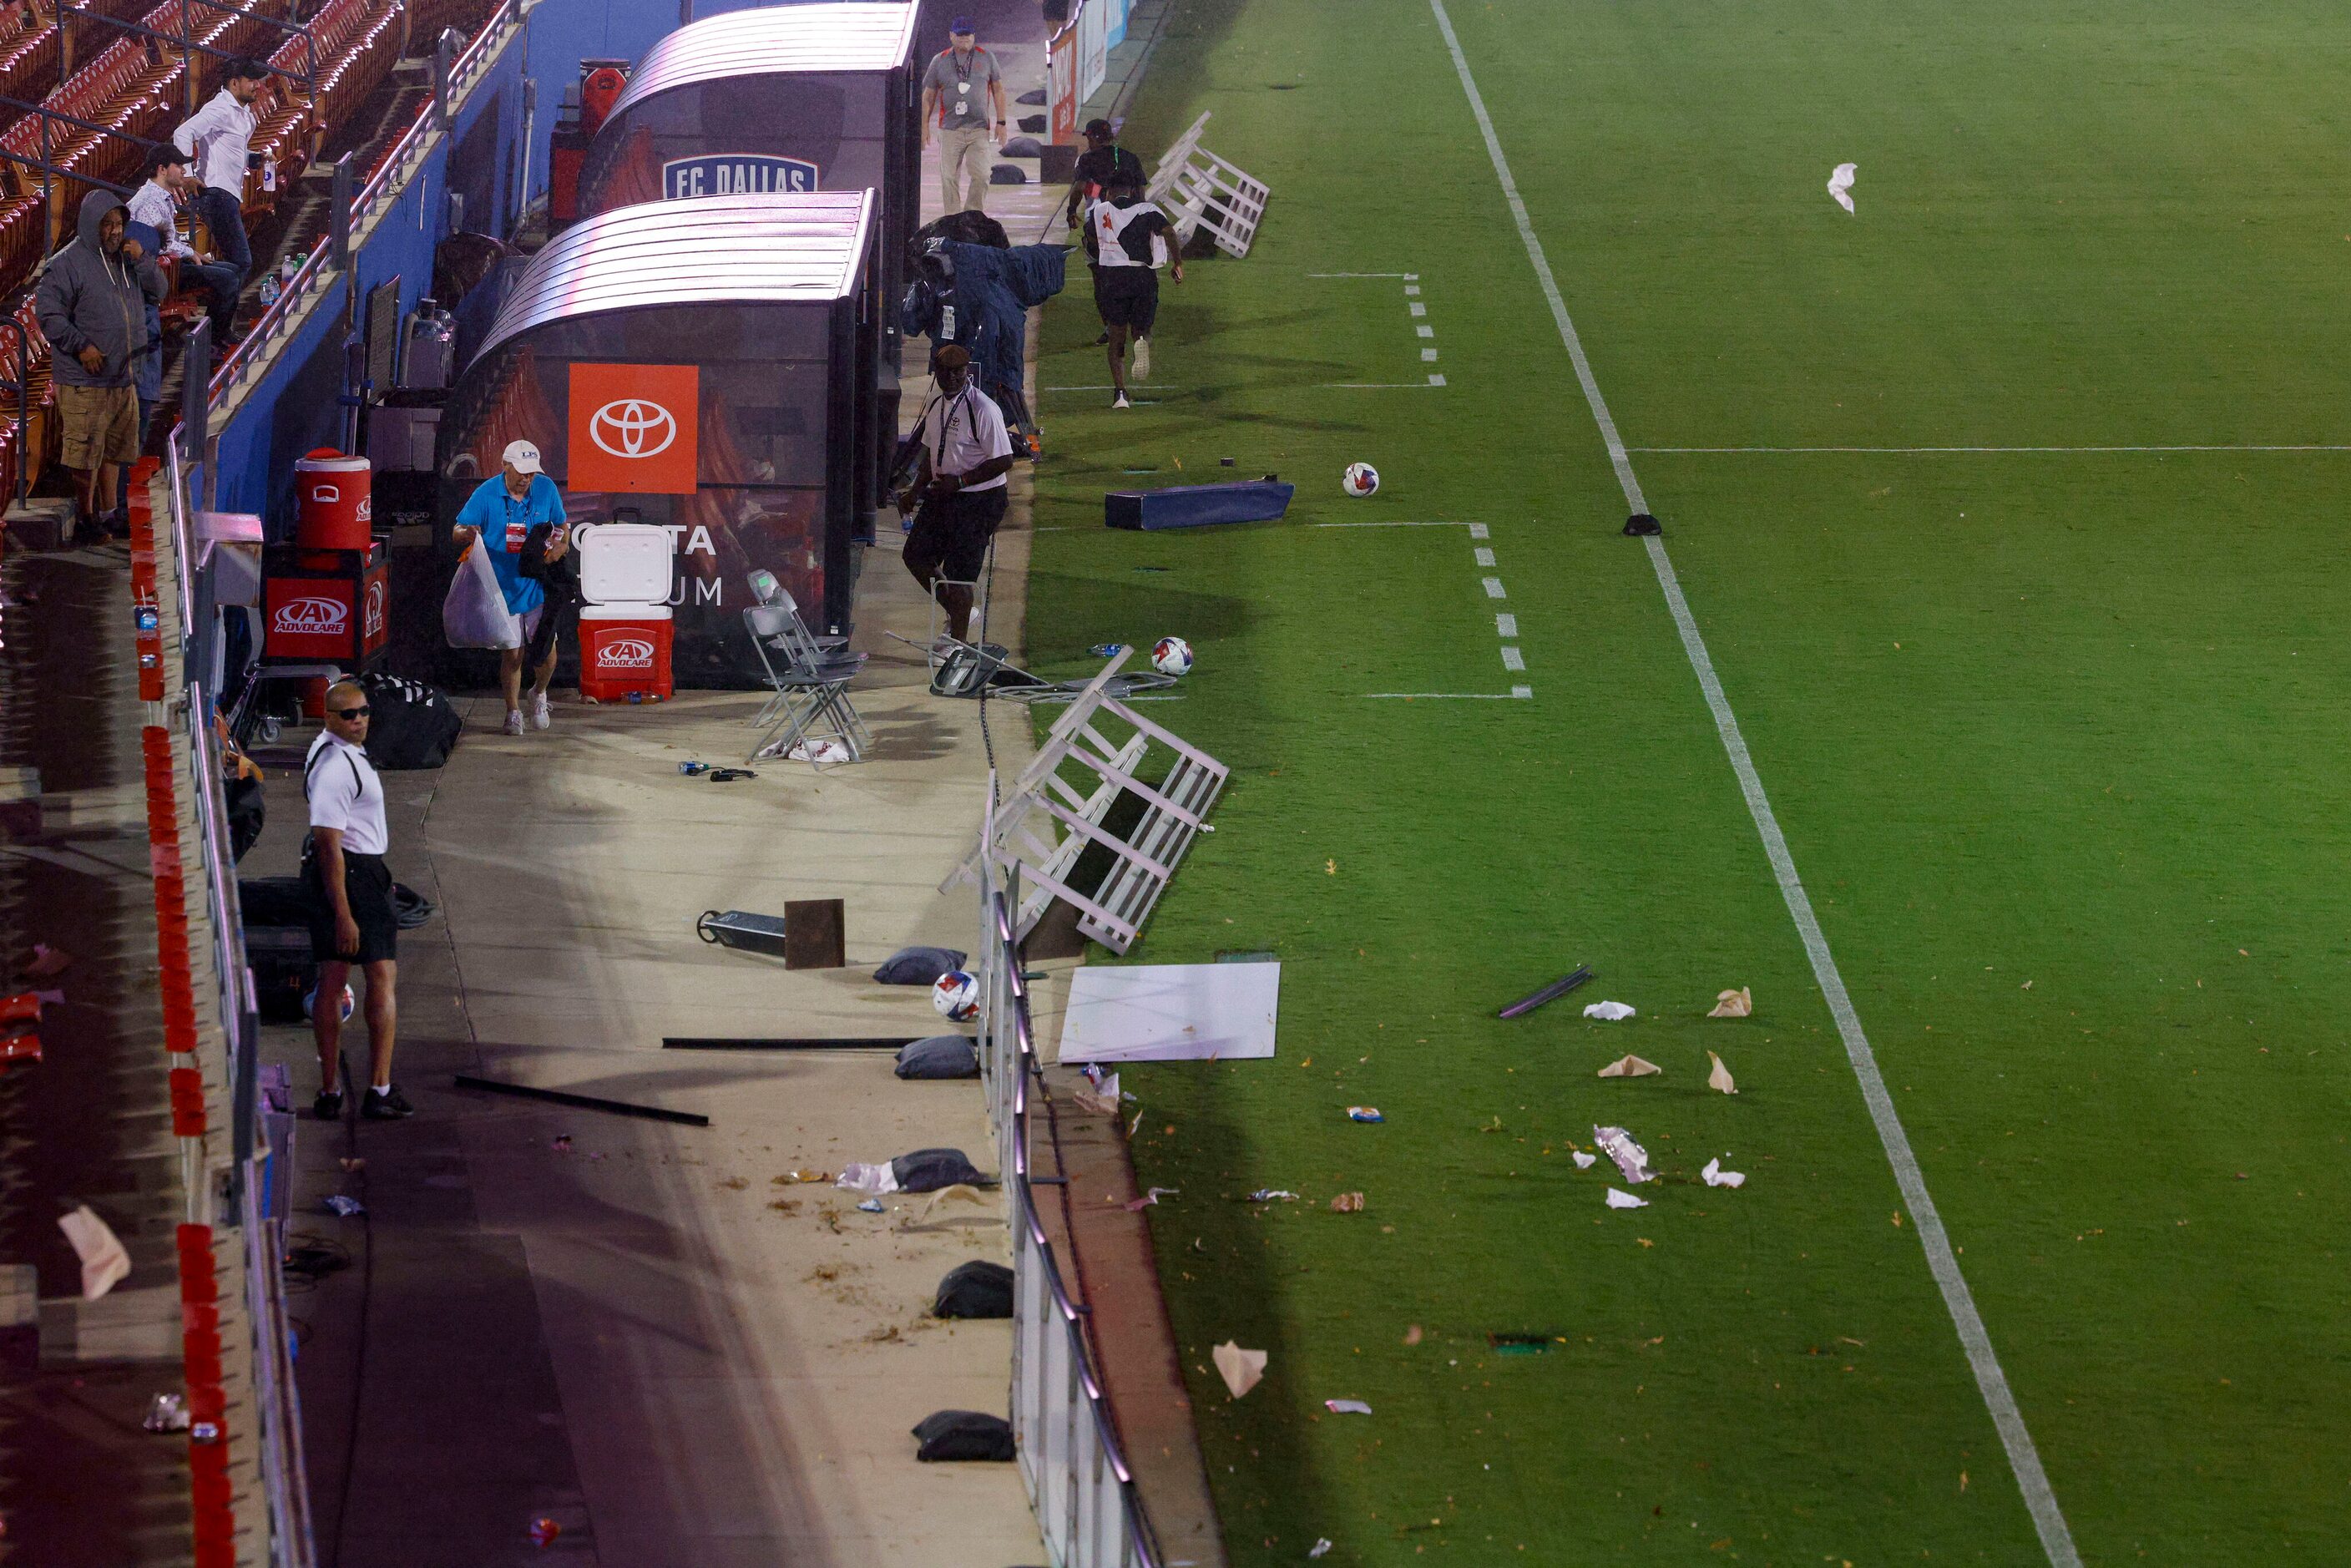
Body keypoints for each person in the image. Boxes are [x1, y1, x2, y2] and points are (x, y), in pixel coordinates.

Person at [304, 680, 410, 1121]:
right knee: (380, 976)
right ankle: (378, 1090)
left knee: (332, 978)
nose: (359, 720)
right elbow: (329, 845)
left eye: (364, 712)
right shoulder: (334, 768)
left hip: (354, 870)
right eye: (349, 715)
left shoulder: (329, 752)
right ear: (329, 718)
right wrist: (345, 913)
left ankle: (330, 1093)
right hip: (351, 875)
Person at [35, 191, 160, 540]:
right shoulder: (66, 263)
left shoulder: (126, 261)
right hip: (84, 379)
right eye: (107, 224)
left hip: (123, 376)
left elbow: (160, 289)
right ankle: (87, 518)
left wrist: (143, 260)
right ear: (92, 225)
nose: (114, 231)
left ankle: (108, 513)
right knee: (85, 454)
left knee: (113, 451)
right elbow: (48, 314)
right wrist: (82, 347)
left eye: (119, 224)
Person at [899, 344, 1014, 646]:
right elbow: (931, 457)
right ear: (936, 372)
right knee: (916, 555)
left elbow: (1004, 461)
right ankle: (959, 609)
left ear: (967, 372)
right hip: (944, 493)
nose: (951, 378)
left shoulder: (984, 409)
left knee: (961, 574)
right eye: (945, 372)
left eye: (958, 372)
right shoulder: (937, 406)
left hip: (980, 499)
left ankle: (956, 643)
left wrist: (961, 481)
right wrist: (914, 492)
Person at [452, 439, 569, 735]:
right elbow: (457, 531)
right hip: (501, 589)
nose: (526, 479)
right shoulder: (486, 494)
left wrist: (562, 545)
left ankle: (539, 693)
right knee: (513, 653)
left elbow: (562, 526)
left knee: (546, 652)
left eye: (531, 473)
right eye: (520, 472)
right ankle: (513, 710)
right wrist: (468, 533)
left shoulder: (546, 489)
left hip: (537, 585)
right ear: (505, 466)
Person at [172, 57, 267, 346]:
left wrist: (256, 159)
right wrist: (186, 175)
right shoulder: (219, 108)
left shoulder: (244, 115)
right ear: (234, 82)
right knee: (241, 260)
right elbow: (183, 132)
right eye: (251, 80)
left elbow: (232, 150)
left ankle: (216, 330)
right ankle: (215, 333)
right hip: (214, 194)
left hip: (227, 194)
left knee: (235, 265)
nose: (257, 85)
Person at [1082, 174, 1182, 407]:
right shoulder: (1148, 210)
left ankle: (1120, 394)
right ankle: (1141, 341)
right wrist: (1178, 263)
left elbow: (1090, 237)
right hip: (1142, 277)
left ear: (1109, 192)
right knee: (1143, 328)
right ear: (1133, 191)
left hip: (1112, 278)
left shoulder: (1099, 211)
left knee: (1116, 335)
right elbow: (1169, 232)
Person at [129, 143, 240, 349]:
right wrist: (190, 252)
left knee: (232, 270)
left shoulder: (162, 195)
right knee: (228, 279)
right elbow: (158, 246)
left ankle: (219, 334)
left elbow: (169, 240)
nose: (183, 171)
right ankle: (213, 342)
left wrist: (192, 252)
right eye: (178, 165)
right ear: (162, 169)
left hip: (173, 264)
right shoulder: (148, 201)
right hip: (161, 272)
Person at [921, 18, 1004, 215]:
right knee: (948, 177)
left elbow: (998, 89)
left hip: (979, 128)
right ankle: (952, 218)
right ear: (951, 36)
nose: (964, 38)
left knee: (983, 175)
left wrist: (1002, 122)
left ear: (974, 36)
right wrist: (924, 126)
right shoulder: (939, 60)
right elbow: (928, 96)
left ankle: (973, 214)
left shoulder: (986, 57)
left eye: (968, 34)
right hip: (950, 129)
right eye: (960, 34)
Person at [1064, 118, 1145, 230]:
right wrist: (1142, 214)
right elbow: (1140, 190)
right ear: (1110, 137)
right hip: (1129, 217)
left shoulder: (1086, 159)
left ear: (1090, 137)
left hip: (1100, 218)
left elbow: (1079, 188)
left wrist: (1071, 210)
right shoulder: (1131, 157)